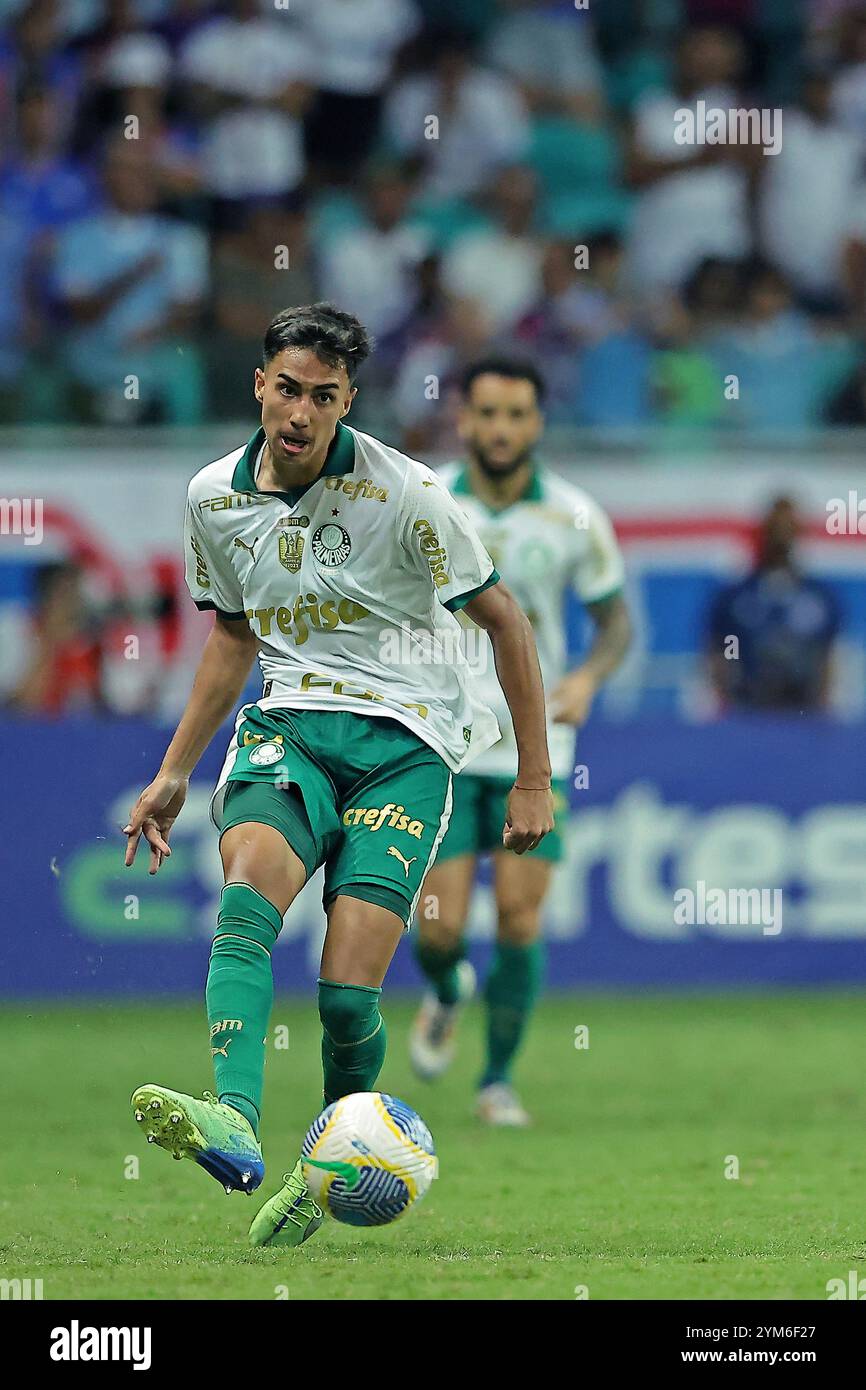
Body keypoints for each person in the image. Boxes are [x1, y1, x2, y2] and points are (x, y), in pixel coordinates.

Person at [122, 304, 554, 1246]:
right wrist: (171, 772)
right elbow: (233, 635)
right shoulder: (213, 498)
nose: (302, 413)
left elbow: (507, 623)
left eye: (325, 397)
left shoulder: (410, 495)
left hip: (407, 743)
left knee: (346, 991)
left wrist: (533, 776)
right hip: (291, 724)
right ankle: (232, 1119)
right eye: (288, 390)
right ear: (260, 386)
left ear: (348, 400)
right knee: (248, 896)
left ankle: (324, 1180)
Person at [409, 356, 631, 1125]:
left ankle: (495, 1081)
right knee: (436, 927)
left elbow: (616, 622)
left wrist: (590, 679)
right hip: (440, 741)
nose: (501, 429)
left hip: (534, 752)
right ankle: (445, 989)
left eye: (517, 415)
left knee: (517, 917)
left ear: (537, 423)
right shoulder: (426, 500)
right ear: (463, 419)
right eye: (488, 413)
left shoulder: (572, 515)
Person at [707, 495, 841, 712]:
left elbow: (826, 656)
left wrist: (822, 706)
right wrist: (729, 693)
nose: (781, 536)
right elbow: (724, 648)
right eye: (775, 528)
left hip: (803, 710)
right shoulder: (735, 598)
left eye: (788, 528)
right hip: (749, 707)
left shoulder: (820, 598)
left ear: (799, 532)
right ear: (763, 532)